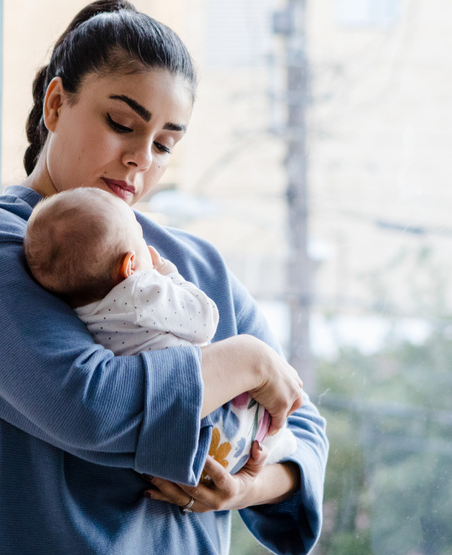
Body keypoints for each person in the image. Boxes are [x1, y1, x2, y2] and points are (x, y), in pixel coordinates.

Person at [0, 0, 328, 555]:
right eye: (121, 123)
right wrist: (245, 362)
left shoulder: (196, 265)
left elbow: (302, 423)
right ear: (56, 105)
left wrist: (245, 488)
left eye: (165, 143)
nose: (141, 158)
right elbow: (92, 406)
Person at [22, 185, 298, 472]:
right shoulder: (144, 292)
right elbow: (204, 320)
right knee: (276, 427)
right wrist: (167, 273)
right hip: (218, 422)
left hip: (183, 446)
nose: (150, 249)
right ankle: (280, 446)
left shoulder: (78, 311)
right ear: (130, 265)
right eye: (140, 239)